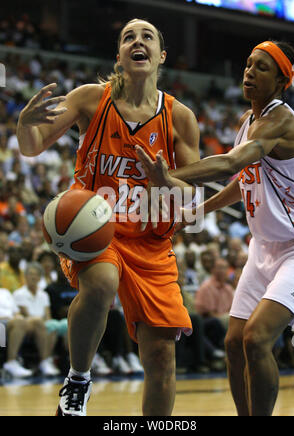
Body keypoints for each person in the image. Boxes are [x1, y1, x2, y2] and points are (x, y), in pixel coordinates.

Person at [17, 18, 200, 416]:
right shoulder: (89, 98)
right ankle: (78, 381)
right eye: (128, 37)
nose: (138, 41)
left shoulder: (179, 117)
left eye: (147, 36)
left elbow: (192, 194)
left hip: (152, 238)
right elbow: (33, 146)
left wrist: (166, 181)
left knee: (161, 355)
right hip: (97, 227)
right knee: (100, 282)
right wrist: (24, 125)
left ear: (161, 56)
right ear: (119, 56)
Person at [136, 40, 294, 416]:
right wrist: (199, 211)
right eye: (247, 64)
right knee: (233, 342)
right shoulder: (248, 121)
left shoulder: (282, 120)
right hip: (262, 248)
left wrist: (167, 175)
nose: (249, 71)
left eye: (261, 67)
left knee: (257, 339)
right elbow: (242, 180)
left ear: (280, 82)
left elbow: (229, 163)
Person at [13, 262, 60, 376]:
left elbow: (47, 315)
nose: (33, 277)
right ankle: (45, 360)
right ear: (25, 276)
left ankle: (47, 361)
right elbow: (25, 314)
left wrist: (48, 322)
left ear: (40, 278)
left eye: (36, 275)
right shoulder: (19, 293)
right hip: (28, 324)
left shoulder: (44, 294)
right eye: (30, 274)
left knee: (53, 325)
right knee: (39, 322)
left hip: (41, 323)